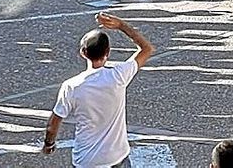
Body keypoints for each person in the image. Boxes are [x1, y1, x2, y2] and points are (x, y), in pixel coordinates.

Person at [42, 12, 155, 167]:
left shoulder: (72, 86)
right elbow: (146, 48)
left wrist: (49, 144)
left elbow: (54, 122)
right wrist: (122, 25)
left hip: (86, 161)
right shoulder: (119, 76)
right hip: (117, 157)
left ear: (83, 53)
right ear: (107, 52)